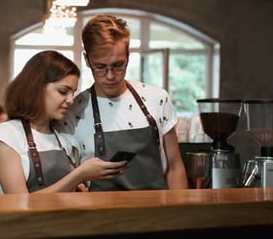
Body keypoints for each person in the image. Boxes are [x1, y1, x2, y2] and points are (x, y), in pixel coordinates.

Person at [56, 14, 188, 191]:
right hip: (100, 216)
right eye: (101, 67)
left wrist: (179, 213)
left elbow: (175, 167)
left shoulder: (157, 99)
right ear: (87, 60)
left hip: (158, 212)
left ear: (128, 56)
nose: (110, 76)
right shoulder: (73, 112)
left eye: (118, 65)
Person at [0, 50, 128, 194]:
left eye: (72, 93)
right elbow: (20, 202)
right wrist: (79, 175)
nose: (70, 100)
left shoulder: (66, 140)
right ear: (36, 88)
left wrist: (78, 189)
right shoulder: (8, 135)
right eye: (63, 91)